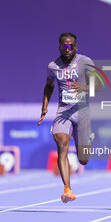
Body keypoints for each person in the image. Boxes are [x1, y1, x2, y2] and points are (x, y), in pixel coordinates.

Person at [38, 32, 98, 203]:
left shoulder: (85, 62)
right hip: (63, 112)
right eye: (64, 46)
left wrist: (85, 87)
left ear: (75, 47)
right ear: (60, 47)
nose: (67, 49)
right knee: (62, 144)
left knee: (83, 159)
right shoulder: (52, 67)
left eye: (70, 46)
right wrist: (44, 106)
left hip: (82, 113)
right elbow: (48, 86)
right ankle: (67, 189)